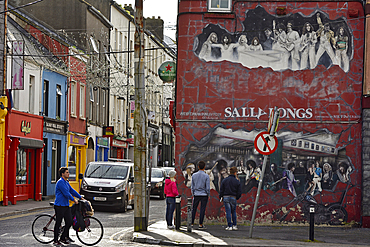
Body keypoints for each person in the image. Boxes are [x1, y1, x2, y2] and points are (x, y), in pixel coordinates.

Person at [53, 167, 82, 246]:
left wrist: (80, 197)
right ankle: (55, 240)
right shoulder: (60, 182)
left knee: (69, 222)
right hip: (59, 206)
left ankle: (62, 237)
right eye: (67, 172)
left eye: (68, 172)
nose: (68, 173)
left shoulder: (66, 182)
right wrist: (74, 200)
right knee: (58, 223)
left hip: (65, 206)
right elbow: (66, 193)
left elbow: (72, 190)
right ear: (62, 174)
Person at [219, 166, 241, 230]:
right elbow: (239, 191)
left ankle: (229, 226)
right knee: (233, 211)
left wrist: (221, 196)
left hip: (226, 197)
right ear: (235, 173)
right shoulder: (236, 181)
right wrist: (237, 197)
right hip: (233, 197)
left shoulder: (225, 180)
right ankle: (234, 225)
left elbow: (221, 190)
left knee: (228, 212)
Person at [191, 160, 210, 230]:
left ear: (198, 167)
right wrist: (208, 194)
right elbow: (208, 187)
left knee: (194, 209)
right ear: (204, 167)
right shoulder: (206, 176)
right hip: (204, 194)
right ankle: (200, 224)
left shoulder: (194, 175)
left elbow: (192, 186)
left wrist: (193, 193)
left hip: (196, 194)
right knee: (202, 209)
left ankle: (192, 223)